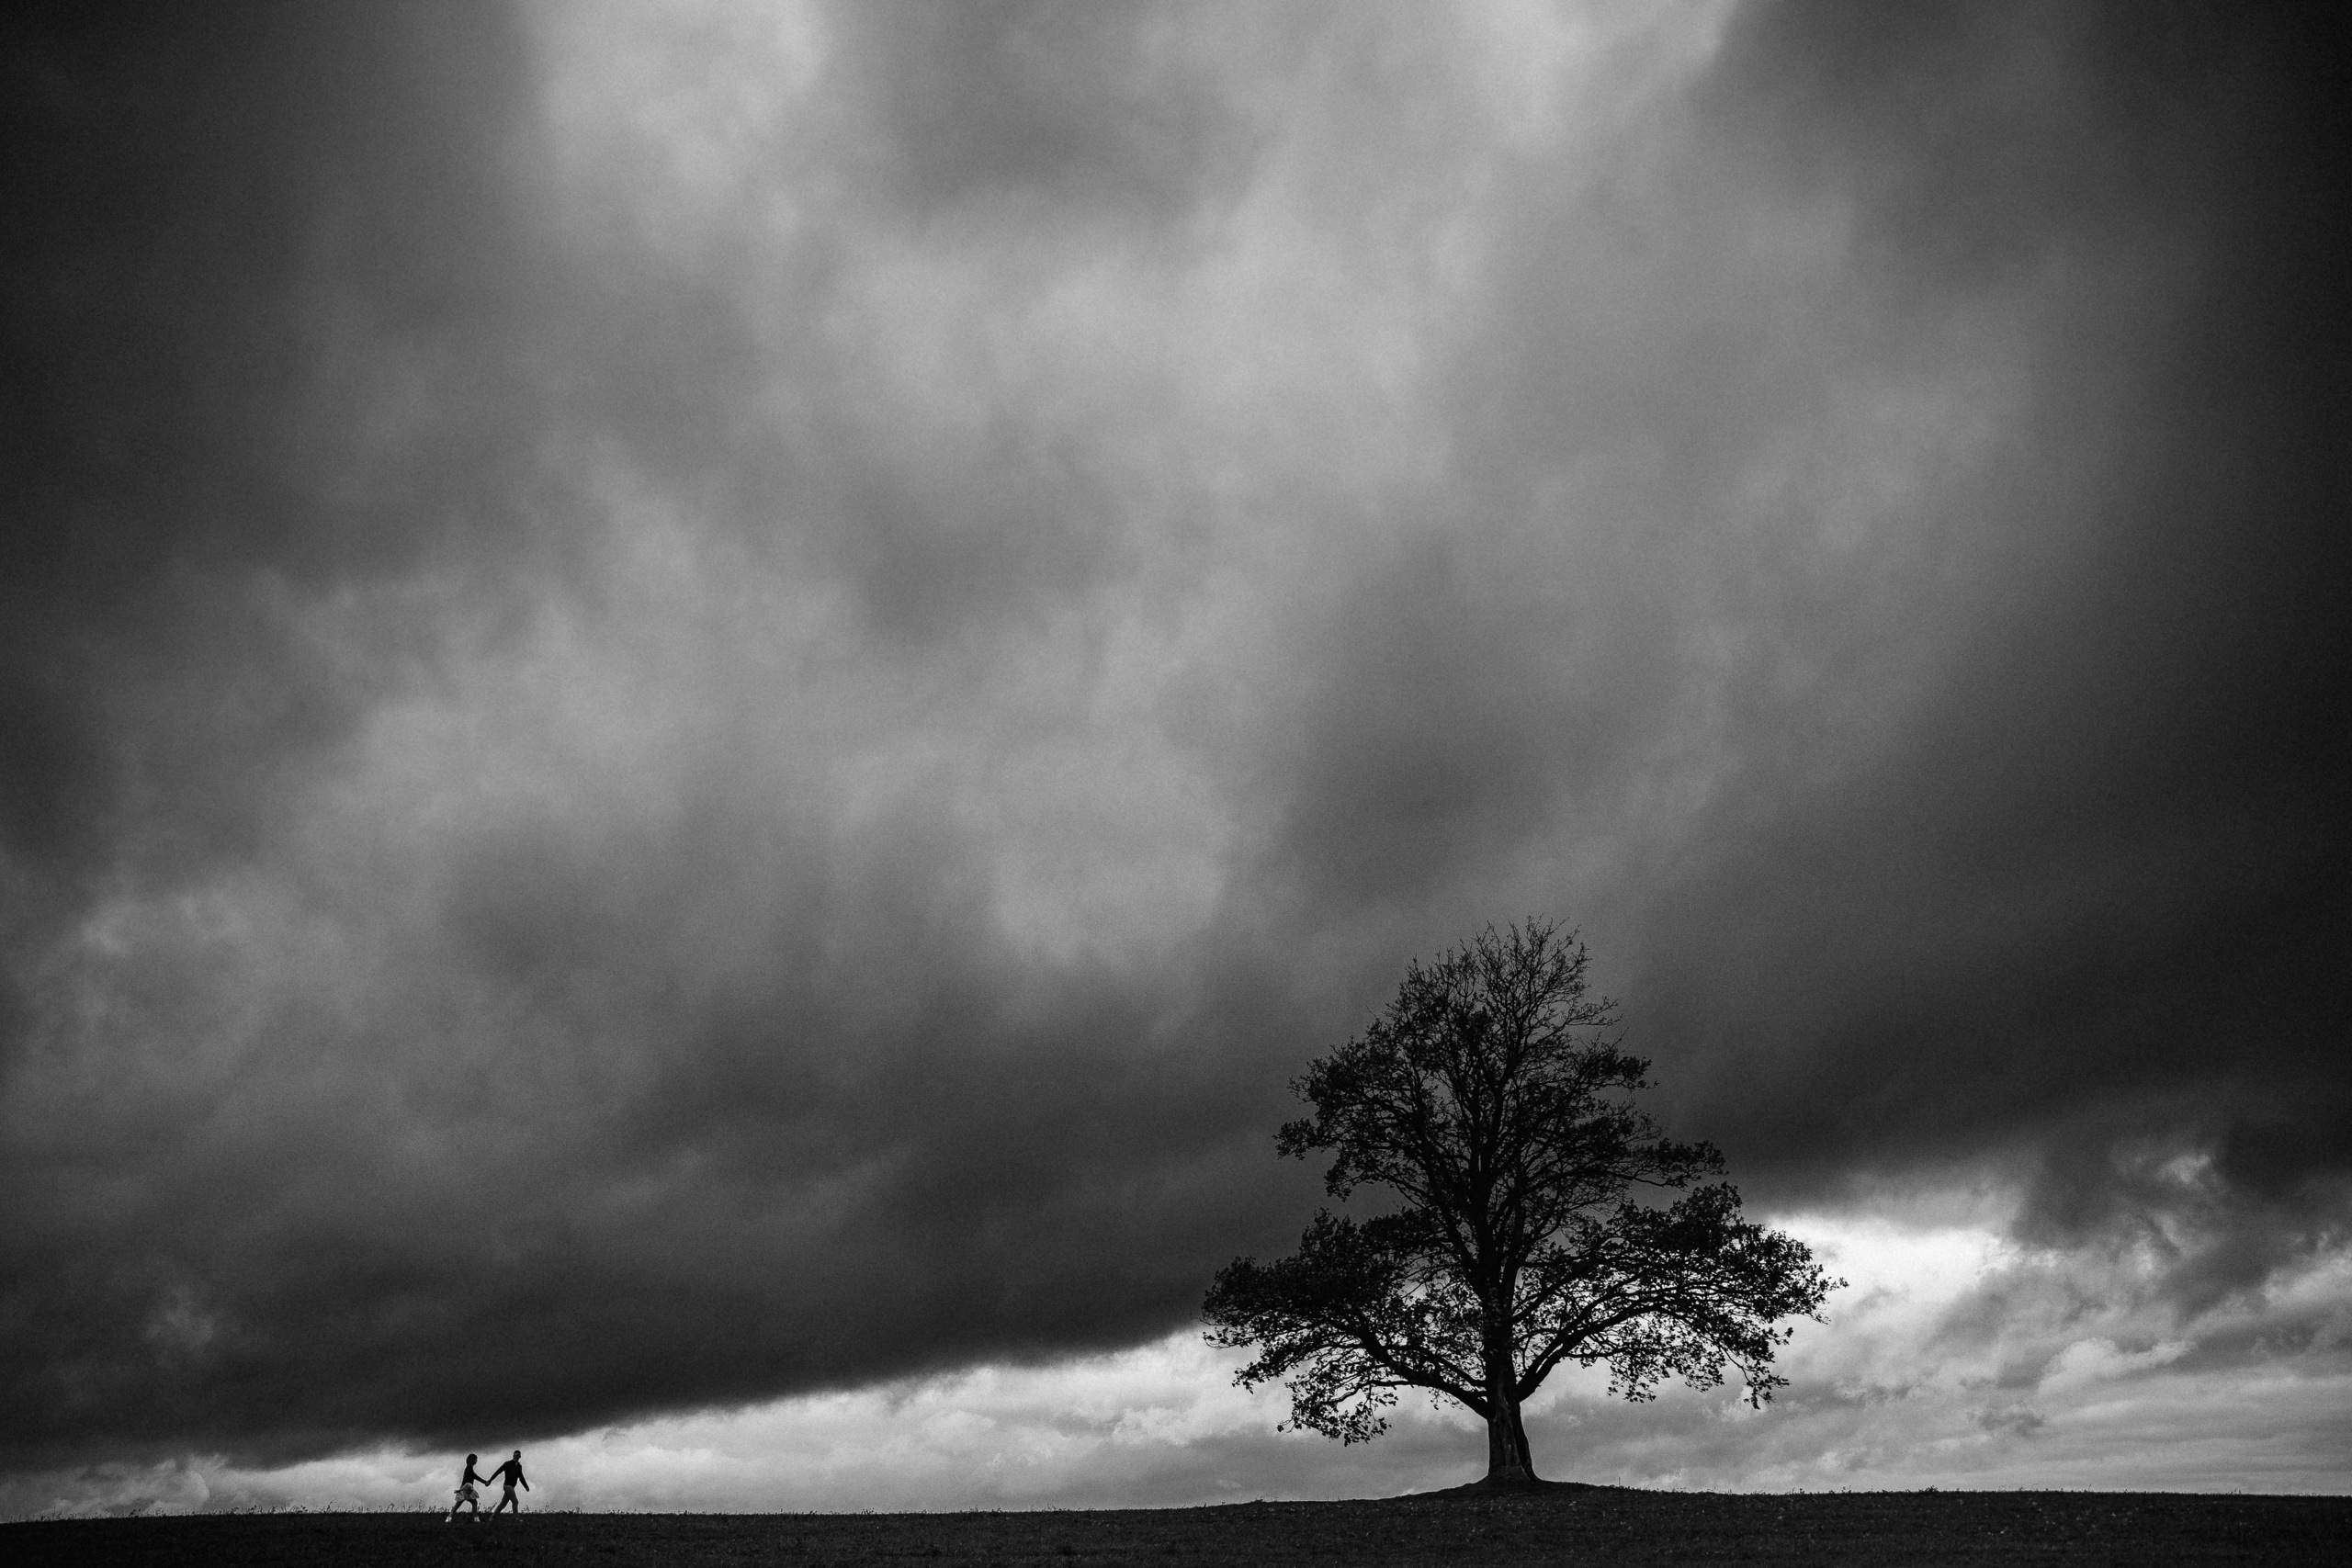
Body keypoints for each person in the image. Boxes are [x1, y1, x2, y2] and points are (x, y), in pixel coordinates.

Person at [447, 1453, 489, 1521]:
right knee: (473, 1502)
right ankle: (476, 1519)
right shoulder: (469, 1469)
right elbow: (467, 1479)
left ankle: (449, 1518)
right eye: (476, 1459)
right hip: (467, 1488)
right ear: (473, 1460)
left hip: (466, 1488)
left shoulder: (469, 1468)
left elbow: (475, 1477)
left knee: (459, 1504)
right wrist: (462, 1489)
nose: (477, 1461)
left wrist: (485, 1482)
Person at [487, 1449, 530, 1515]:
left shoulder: (519, 1466)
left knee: (503, 1504)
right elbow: (498, 1472)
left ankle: (493, 1517)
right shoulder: (507, 1464)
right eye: (514, 1455)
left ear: (519, 1457)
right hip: (508, 1486)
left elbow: (521, 1478)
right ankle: (516, 1518)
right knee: (515, 1502)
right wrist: (490, 1480)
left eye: (517, 1456)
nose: (515, 1457)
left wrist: (526, 1487)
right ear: (513, 1456)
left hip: (511, 1487)